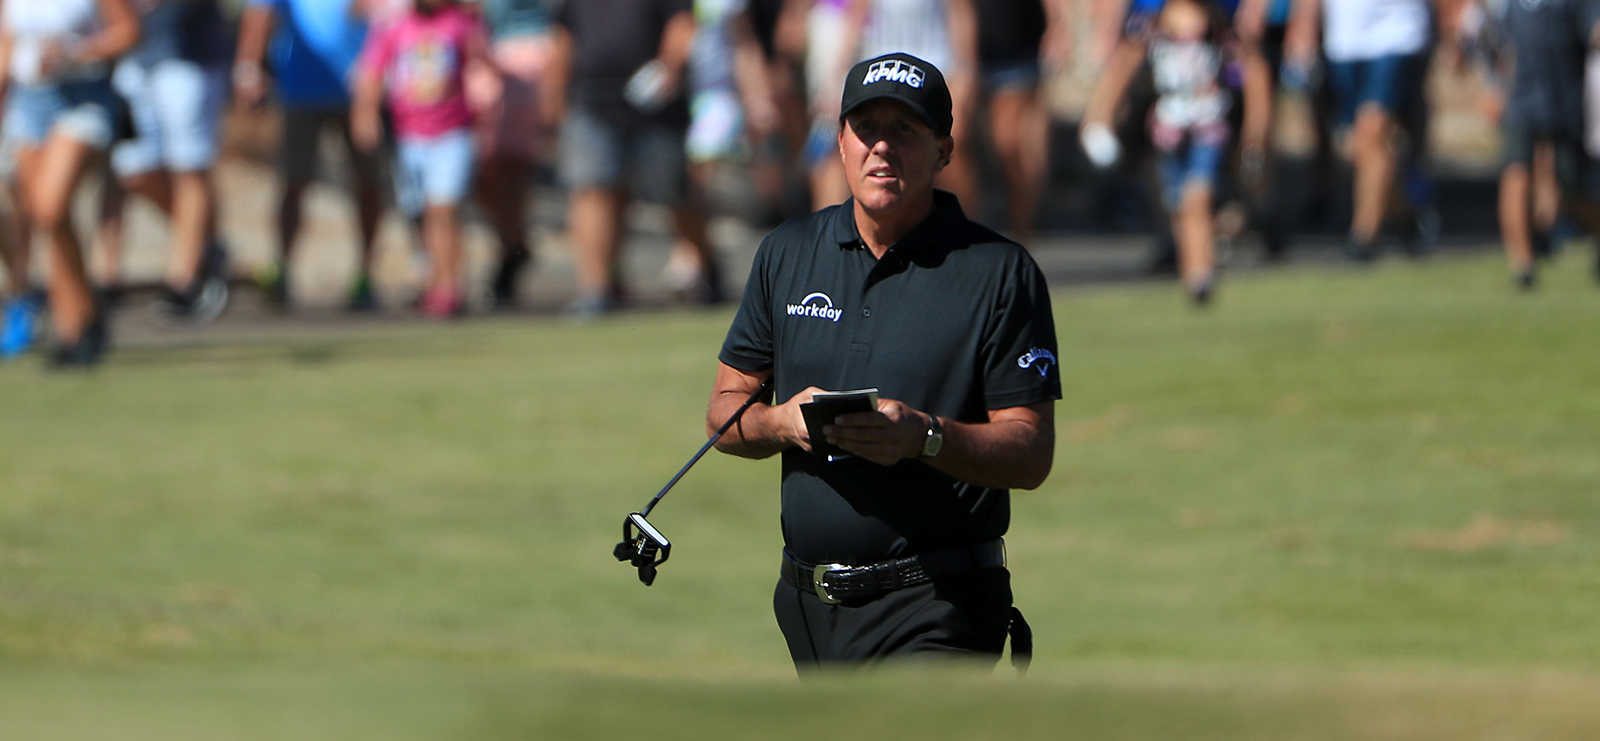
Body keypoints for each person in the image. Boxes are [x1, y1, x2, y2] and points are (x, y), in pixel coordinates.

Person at [707, 53, 1059, 669]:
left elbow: (1030, 452)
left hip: (938, 603)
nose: (882, 147)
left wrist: (923, 436)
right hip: (808, 611)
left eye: (905, 130)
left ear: (944, 150)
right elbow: (723, 412)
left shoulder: (999, 272)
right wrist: (782, 422)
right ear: (840, 141)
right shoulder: (787, 252)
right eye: (866, 128)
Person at [551, 0, 722, 318]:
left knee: (676, 196)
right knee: (591, 190)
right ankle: (596, 289)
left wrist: (667, 67)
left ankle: (707, 265)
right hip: (592, 102)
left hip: (657, 108)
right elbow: (563, 39)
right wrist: (554, 98)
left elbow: (682, 25)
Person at [1, 0, 142, 366]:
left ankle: (86, 314)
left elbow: (129, 32)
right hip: (29, 100)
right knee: (45, 219)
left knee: (51, 207)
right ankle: (72, 327)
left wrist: (74, 52)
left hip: (85, 95)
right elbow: (8, 43)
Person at [235, 0, 385, 311]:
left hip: (360, 88)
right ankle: (282, 269)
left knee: (369, 182)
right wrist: (249, 69)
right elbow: (260, 15)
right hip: (299, 89)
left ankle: (365, 274)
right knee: (294, 180)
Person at [353, 0, 491, 318]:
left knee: (443, 209)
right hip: (410, 135)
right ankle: (433, 280)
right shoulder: (394, 26)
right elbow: (372, 71)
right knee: (418, 212)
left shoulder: (460, 24)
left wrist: (486, 118)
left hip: (453, 131)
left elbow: (482, 69)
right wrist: (365, 112)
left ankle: (449, 286)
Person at [97, 0, 233, 323]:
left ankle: (184, 279)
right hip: (134, 61)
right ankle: (207, 244)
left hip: (189, 58)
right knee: (132, 171)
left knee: (188, 168)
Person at [1286, 0, 1435, 261]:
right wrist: (1303, 24)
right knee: (1358, 148)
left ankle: (1364, 235)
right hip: (1344, 42)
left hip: (1398, 34)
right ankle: (1406, 215)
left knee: (1373, 128)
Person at [471, 0, 559, 309]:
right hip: (487, 56)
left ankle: (510, 250)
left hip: (529, 57)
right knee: (479, 167)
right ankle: (513, 242)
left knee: (514, 166)